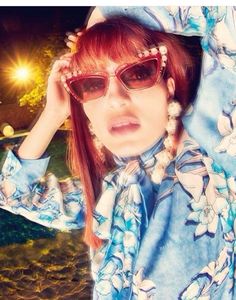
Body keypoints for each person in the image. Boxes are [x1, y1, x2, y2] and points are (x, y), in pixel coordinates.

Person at [0, 6, 235, 300]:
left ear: (169, 88)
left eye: (138, 72)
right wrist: (53, 113)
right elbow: (14, 193)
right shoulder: (107, 194)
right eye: (91, 84)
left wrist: (102, 16)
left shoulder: (217, 157)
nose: (114, 99)